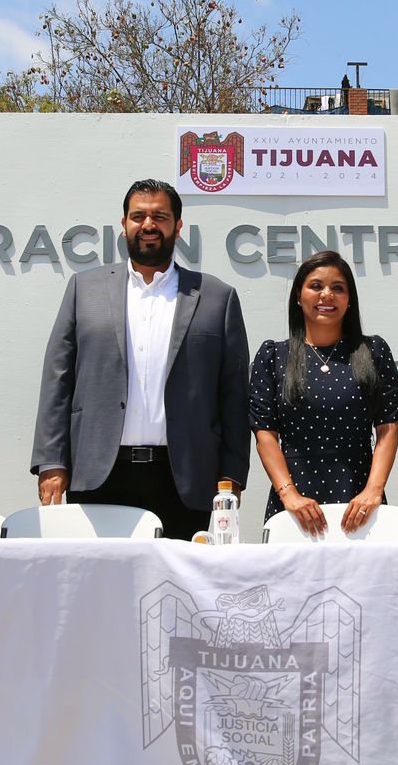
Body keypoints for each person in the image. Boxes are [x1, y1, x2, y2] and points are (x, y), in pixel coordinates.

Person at [31, 179, 249, 540]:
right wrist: (52, 462)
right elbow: (58, 379)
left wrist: (232, 475)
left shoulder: (216, 297)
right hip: (99, 472)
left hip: (185, 478)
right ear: (124, 224)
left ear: (178, 227)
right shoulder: (84, 289)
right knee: (100, 588)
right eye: (139, 216)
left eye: (160, 216)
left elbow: (233, 395)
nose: (148, 225)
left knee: (172, 592)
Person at [250, 252, 398, 536]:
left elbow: (388, 428)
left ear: (349, 299)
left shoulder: (373, 352)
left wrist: (373, 490)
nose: (327, 295)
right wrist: (289, 495)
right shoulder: (273, 356)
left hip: (360, 501)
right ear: (299, 295)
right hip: (294, 506)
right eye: (316, 286)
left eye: (338, 288)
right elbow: (264, 434)